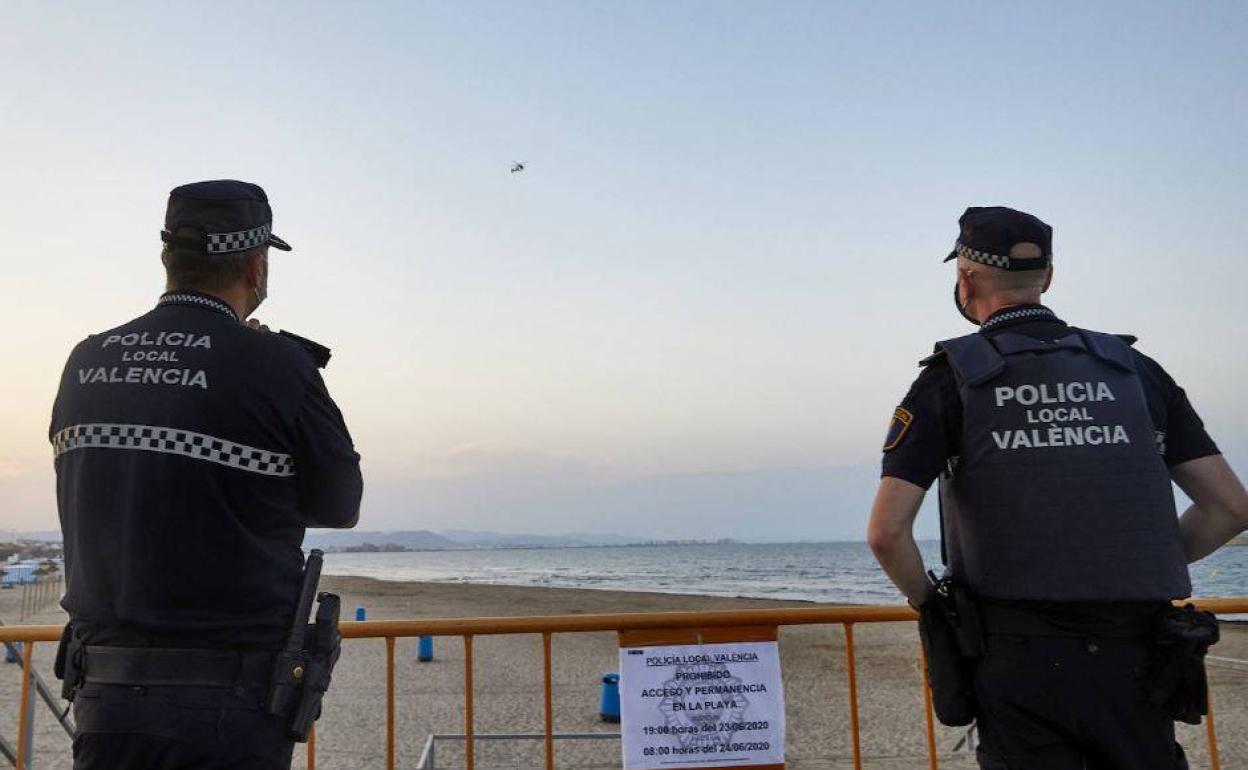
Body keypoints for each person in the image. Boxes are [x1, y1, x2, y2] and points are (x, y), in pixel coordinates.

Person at [867, 206, 1248, 769]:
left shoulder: (949, 378)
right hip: (1139, 650)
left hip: (1017, 655)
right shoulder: (1135, 370)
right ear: (1047, 278)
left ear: (966, 280)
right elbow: (1230, 507)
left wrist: (932, 606)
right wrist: (1138, 559)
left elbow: (885, 532)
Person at [50, 180, 363, 770]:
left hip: (105, 694)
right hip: (230, 700)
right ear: (255, 264)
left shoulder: (86, 359)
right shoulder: (278, 365)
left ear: (168, 258)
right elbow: (340, 504)